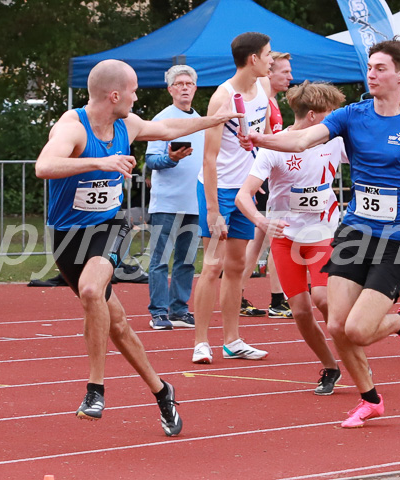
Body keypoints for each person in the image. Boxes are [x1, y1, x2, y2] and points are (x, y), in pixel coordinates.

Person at [241, 39, 400, 427]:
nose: (371, 73)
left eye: (381, 68)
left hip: (395, 238)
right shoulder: (352, 116)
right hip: (354, 232)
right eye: (369, 67)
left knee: (357, 329)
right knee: (337, 325)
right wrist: (261, 140)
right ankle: (370, 399)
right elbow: (303, 138)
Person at [35, 59, 241, 435]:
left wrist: (212, 120)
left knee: (91, 289)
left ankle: (95, 388)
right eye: (131, 91)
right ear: (114, 95)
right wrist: (100, 162)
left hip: (108, 225)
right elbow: (44, 166)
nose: (135, 97)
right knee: (118, 326)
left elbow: (167, 127)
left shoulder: (127, 124)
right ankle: (163, 391)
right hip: (67, 236)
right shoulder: (73, 126)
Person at [236, 81, 346, 394]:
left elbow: (373, 160)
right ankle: (330, 366)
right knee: (299, 310)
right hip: (285, 238)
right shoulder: (275, 146)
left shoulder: (336, 140)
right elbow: (243, 195)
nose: (335, 119)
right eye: (330, 113)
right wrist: (261, 221)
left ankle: (352, 351)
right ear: (313, 116)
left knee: (323, 298)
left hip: (323, 232)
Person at [191, 32, 274, 365]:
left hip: (243, 192)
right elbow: (208, 158)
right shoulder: (221, 98)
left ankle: (232, 340)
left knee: (237, 267)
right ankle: (200, 343)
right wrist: (213, 209)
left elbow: (261, 139)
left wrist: (260, 172)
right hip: (219, 191)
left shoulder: (264, 90)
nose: (272, 60)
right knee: (212, 265)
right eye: (268, 54)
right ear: (252, 58)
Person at [144, 65, 203, 330]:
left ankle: (179, 309)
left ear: (195, 88)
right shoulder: (162, 119)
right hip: (166, 203)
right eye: (178, 84)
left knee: (186, 260)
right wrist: (171, 158)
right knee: (159, 260)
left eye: (188, 83)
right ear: (170, 89)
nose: (184, 88)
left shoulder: (201, 120)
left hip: (195, 202)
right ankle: (158, 312)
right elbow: (150, 160)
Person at [240, 51, 294, 319]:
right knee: (275, 237)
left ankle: (238, 292)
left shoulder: (273, 102)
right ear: (269, 72)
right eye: (284, 71)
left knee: (259, 240)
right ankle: (277, 299)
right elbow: (261, 141)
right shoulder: (262, 95)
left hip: (268, 178)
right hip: (261, 179)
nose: (290, 77)